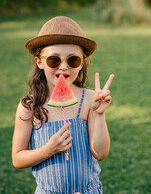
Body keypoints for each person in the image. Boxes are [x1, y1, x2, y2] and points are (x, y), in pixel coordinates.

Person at [12, 16, 114, 194]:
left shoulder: (89, 99)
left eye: (73, 60)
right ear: (39, 62)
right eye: (54, 60)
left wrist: (98, 114)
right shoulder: (29, 106)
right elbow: (17, 158)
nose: (64, 67)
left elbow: (100, 153)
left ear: (82, 63)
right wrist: (48, 150)